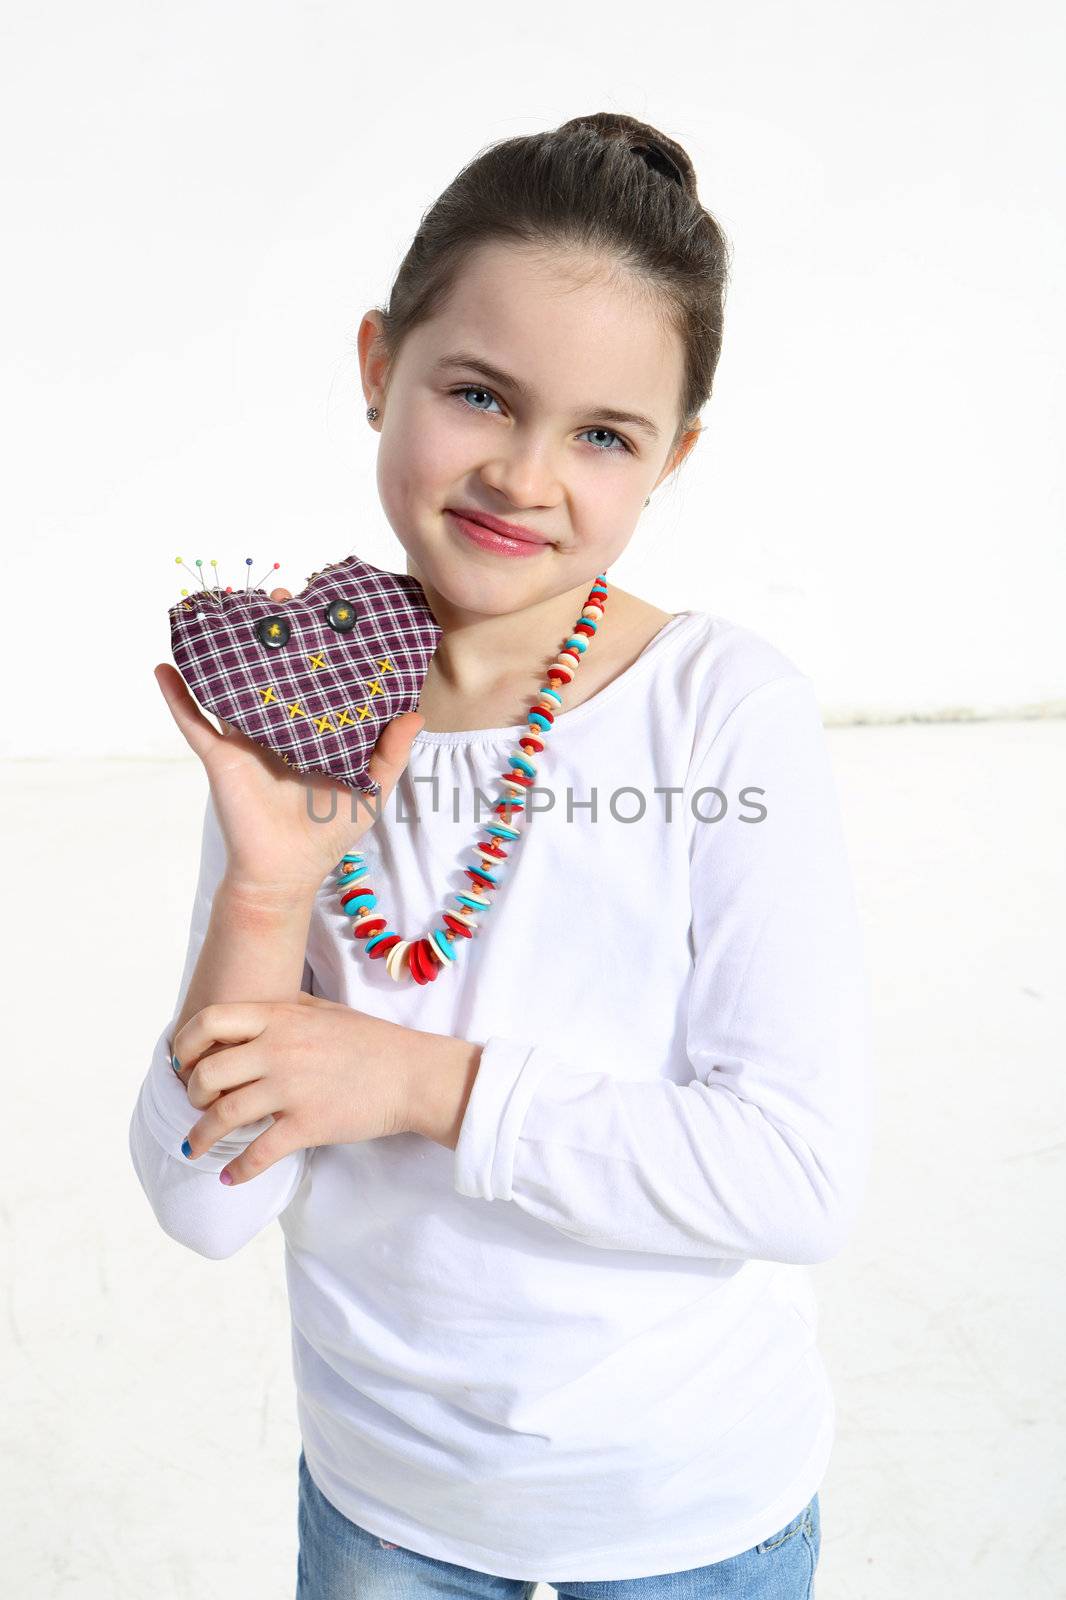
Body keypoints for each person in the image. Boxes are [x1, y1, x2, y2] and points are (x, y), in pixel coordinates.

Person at [129, 111, 874, 1599]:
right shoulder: (304, 709)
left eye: (603, 434)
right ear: (374, 368)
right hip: (388, 1511)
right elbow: (204, 1204)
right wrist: (270, 887)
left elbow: (794, 1176)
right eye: (477, 394)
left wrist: (415, 1081)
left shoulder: (720, 711)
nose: (524, 478)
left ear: (672, 458)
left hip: (684, 1512)